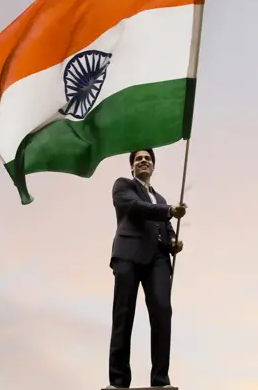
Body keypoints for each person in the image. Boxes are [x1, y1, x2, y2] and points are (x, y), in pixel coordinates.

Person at [106, 148, 186, 389]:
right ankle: (119, 382)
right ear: (132, 166)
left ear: (153, 167)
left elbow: (166, 227)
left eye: (148, 159)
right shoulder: (123, 186)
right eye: (139, 159)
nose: (143, 161)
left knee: (163, 313)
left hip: (158, 261)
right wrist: (168, 211)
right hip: (128, 256)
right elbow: (134, 208)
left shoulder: (160, 199)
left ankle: (160, 380)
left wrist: (173, 241)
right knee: (124, 315)